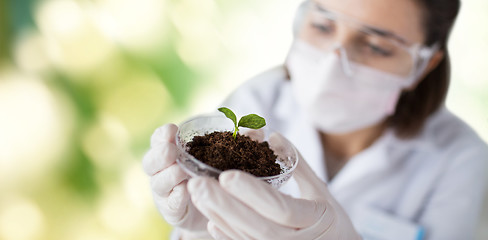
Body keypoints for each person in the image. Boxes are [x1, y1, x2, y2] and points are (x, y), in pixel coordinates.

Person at [142, 0, 488, 239]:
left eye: (377, 47)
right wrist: (200, 231)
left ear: (424, 65)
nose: (331, 64)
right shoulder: (259, 100)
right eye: (323, 26)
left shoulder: (460, 160)